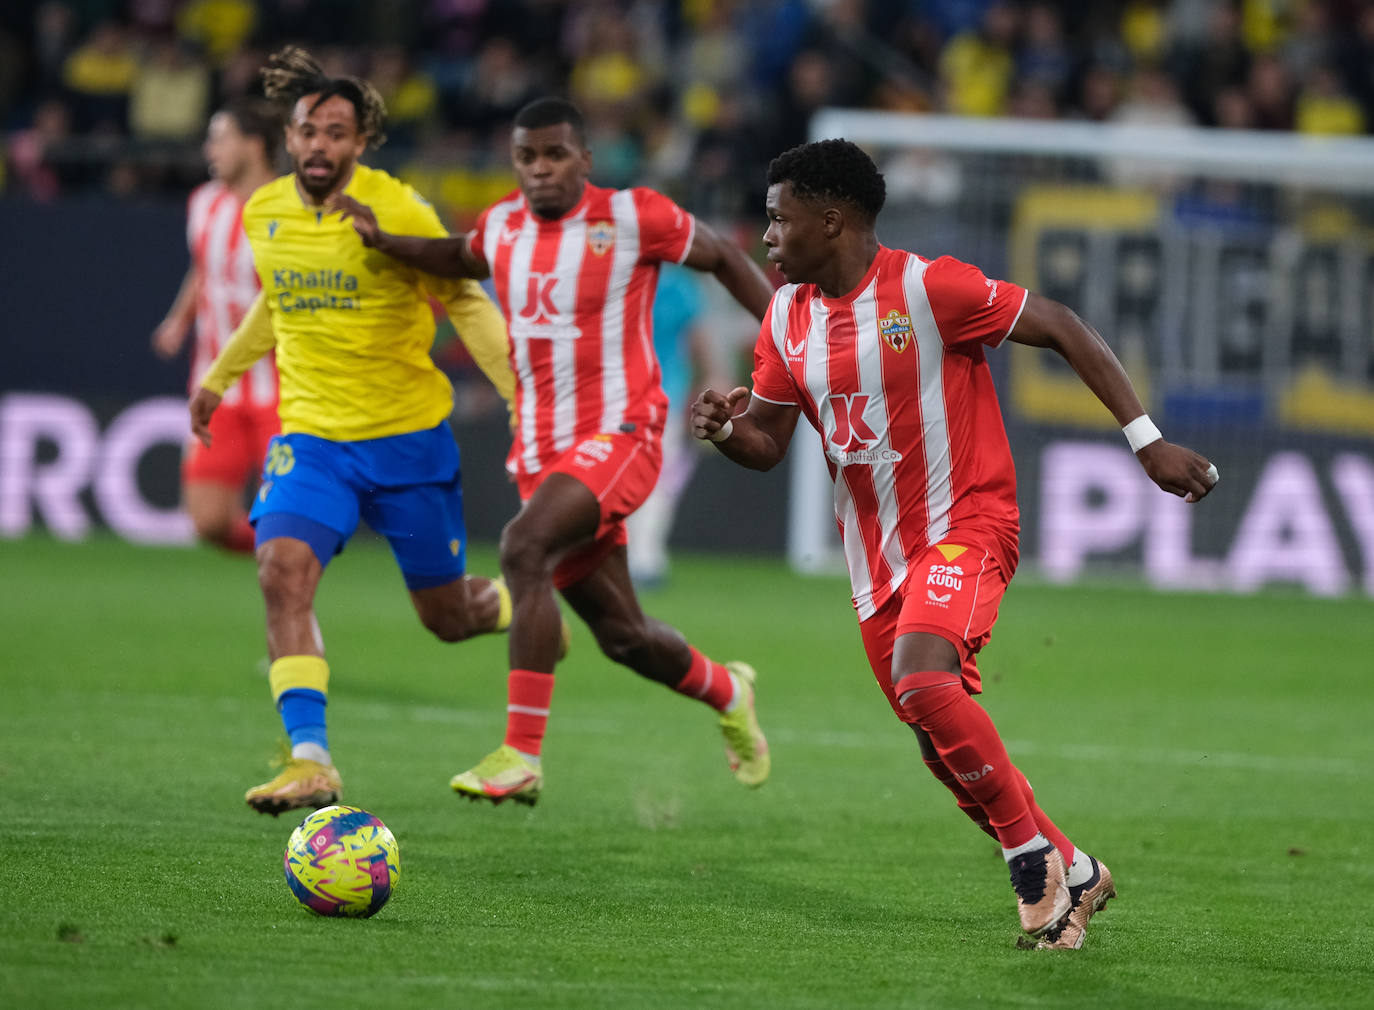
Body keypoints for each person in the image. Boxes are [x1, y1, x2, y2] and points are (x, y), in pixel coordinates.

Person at [691, 140, 1219, 949]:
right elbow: (767, 442)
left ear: (831, 221)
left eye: (777, 219)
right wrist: (729, 430)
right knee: (938, 742)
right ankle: (1074, 870)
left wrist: (1146, 441)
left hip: (967, 524)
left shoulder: (929, 287)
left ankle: (1031, 865)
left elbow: (1063, 325)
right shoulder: (787, 316)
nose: (766, 237)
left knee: (924, 680)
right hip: (874, 561)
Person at [329, 97, 777, 806]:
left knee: (521, 548)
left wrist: (791, 332)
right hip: (542, 452)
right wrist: (387, 243)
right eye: (527, 157)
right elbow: (455, 256)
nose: (540, 169)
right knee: (623, 636)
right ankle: (729, 691)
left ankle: (522, 754)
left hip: (624, 434)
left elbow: (721, 255)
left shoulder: (633, 216)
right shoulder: (502, 225)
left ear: (585, 159)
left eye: (555, 154)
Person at [188, 47, 521, 816]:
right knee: (281, 567)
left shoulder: (397, 209)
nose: (319, 146)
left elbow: (464, 298)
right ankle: (310, 760)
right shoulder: (264, 211)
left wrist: (518, 397)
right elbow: (277, 301)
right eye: (308, 130)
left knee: (447, 619)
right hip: (312, 438)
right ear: (289, 137)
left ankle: (510, 606)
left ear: (361, 142)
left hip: (407, 441)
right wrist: (219, 376)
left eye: (336, 133)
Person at [152, 98, 281, 554]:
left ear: (253, 144)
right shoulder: (203, 203)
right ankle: (281, 554)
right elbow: (203, 269)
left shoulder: (290, 210)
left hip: (282, 388)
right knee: (207, 521)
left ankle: (290, 559)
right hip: (216, 385)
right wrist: (177, 320)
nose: (211, 149)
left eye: (220, 138)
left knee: (288, 513)